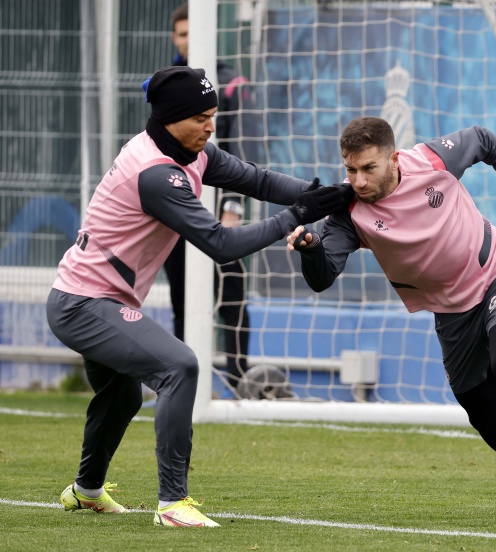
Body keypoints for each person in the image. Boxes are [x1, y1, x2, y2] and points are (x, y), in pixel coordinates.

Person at [46, 65, 352, 527]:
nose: (210, 127)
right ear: (171, 119)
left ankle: (86, 492)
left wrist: (324, 194)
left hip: (98, 300)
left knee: (123, 397)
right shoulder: (155, 173)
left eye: (213, 116)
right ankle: (173, 503)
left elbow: (258, 180)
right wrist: (297, 215)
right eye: (200, 118)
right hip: (82, 304)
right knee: (179, 366)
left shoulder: (193, 152)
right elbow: (220, 244)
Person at [287, 116, 496, 519]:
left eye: (369, 168)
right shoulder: (348, 213)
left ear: (393, 159)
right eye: (351, 170)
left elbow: (483, 139)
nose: (359, 181)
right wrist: (310, 249)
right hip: (451, 311)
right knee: (481, 411)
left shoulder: (430, 159)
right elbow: (322, 278)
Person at [166, 2, 254, 343]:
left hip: (218, 210)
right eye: (182, 34)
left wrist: (232, 206)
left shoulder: (231, 83)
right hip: (176, 205)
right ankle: (181, 373)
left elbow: (242, 147)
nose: (188, 40)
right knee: (182, 300)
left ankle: (237, 372)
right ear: (174, 38)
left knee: (232, 298)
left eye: (194, 32)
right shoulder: (165, 85)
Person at [215, 197, 249, 389]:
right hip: (177, 217)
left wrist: (231, 208)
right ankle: (179, 384)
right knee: (183, 306)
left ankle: (236, 385)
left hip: (217, 224)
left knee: (233, 307)